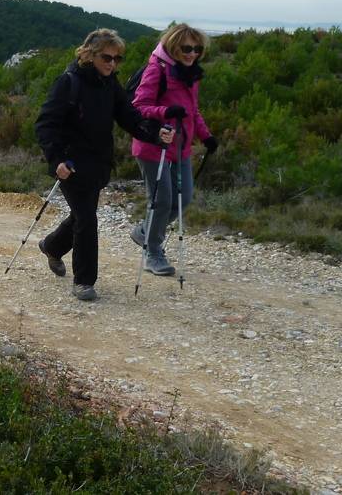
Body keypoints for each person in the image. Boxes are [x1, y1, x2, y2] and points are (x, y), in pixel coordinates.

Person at [35, 28, 174, 301]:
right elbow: (45, 124)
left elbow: (130, 117)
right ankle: (84, 282)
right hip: (71, 164)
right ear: (89, 55)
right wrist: (56, 160)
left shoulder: (110, 84)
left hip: (98, 165)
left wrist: (155, 134)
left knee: (80, 215)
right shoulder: (69, 82)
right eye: (107, 57)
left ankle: (51, 246)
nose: (112, 63)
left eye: (117, 59)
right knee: (87, 218)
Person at [129, 23, 219, 275]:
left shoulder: (190, 73)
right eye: (186, 48)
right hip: (153, 145)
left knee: (184, 198)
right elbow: (139, 106)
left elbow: (192, 110)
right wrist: (165, 112)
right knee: (161, 201)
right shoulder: (156, 70)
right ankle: (153, 253)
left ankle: (144, 232)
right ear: (173, 46)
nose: (192, 54)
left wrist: (206, 136)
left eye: (197, 49)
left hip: (181, 147)